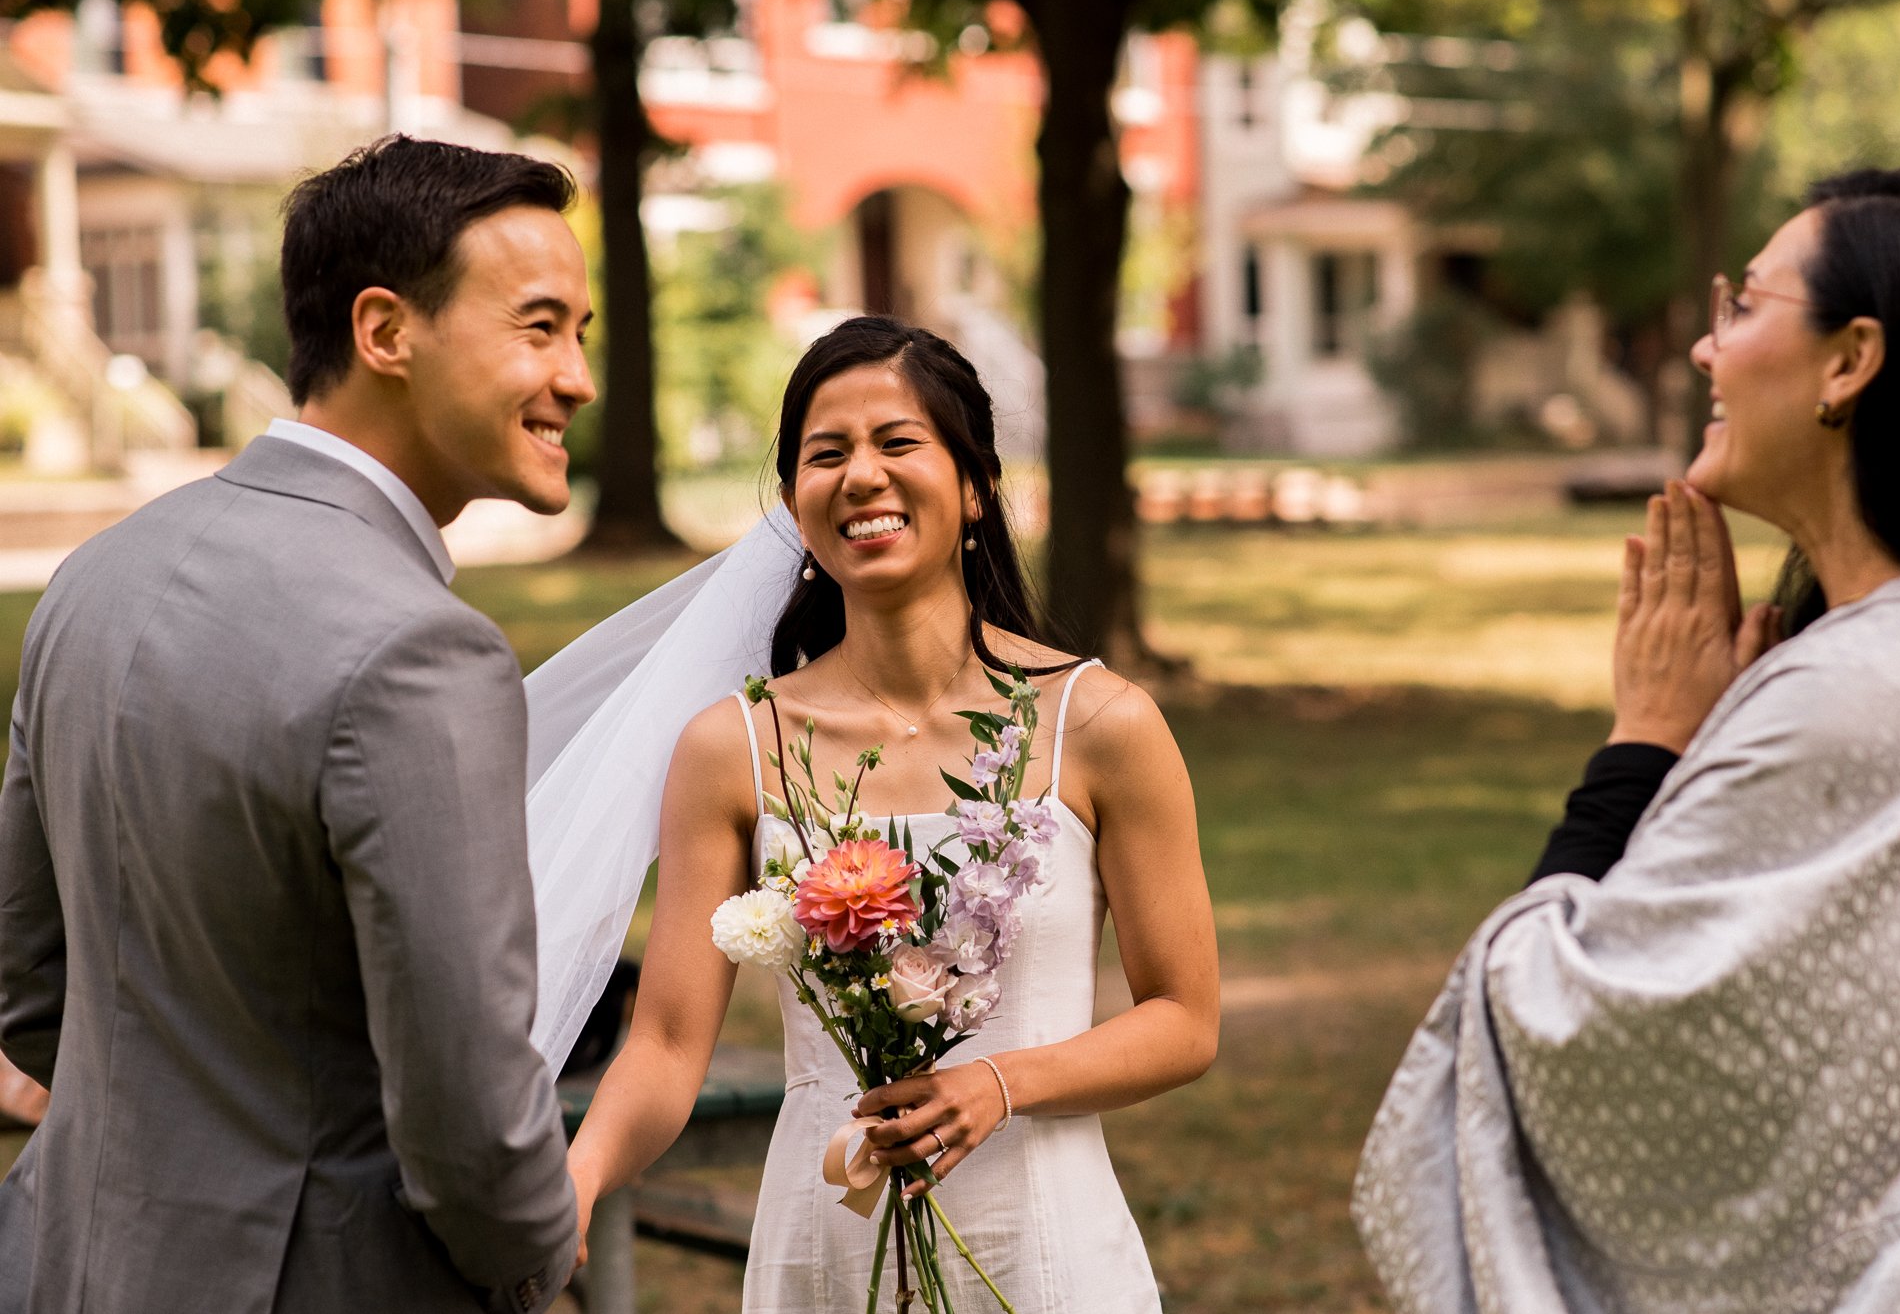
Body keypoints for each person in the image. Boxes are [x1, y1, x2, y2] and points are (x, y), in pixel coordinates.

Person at [1354, 168, 1900, 1311]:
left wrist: (1641, 751)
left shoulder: (1863, 691)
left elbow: (1556, 1027)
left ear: (1849, 362)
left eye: (1742, 307)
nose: (1705, 350)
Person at [0, 136, 592, 1313]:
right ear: (385, 332)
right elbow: (467, 1112)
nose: (575, 376)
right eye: (538, 327)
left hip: (75, 1259)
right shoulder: (421, 650)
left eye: (581, 335)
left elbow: (26, 978)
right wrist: (533, 1249)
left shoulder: (96, 575)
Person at [555, 316, 1220, 1311]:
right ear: (794, 503)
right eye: (825, 455)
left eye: (897, 442)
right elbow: (662, 1044)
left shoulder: (1103, 724)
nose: (860, 475)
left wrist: (1003, 1083)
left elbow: (1183, 1017)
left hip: (1044, 1253)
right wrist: (577, 1174)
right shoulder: (732, 748)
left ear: (973, 487)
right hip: (823, 1248)